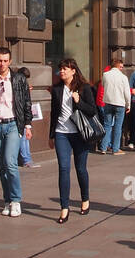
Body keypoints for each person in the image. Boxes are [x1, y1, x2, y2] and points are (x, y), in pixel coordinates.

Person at [0, 46, 33, 217]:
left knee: (10, 163)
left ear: (10, 62)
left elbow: (26, 102)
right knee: (2, 166)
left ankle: (16, 200)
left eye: (5, 61)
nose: (2, 64)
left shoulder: (18, 79)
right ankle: (7, 200)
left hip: (13, 125)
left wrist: (28, 125)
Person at [50, 58, 100, 223]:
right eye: (61, 69)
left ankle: (85, 198)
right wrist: (51, 135)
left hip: (80, 134)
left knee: (80, 169)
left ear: (73, 71)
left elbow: (92, 111)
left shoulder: (84, 88)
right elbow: (54, 114)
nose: (62, 72)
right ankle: (64, 207)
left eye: (65, 69)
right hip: (61, 133)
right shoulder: (57, 89)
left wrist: (79, 102)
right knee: (63, 168)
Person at [99, 52, 130, 155]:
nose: (122, 68)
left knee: (107, 125)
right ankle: (115, 149)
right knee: (118, 126)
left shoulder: (105, 75)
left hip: (108, 102)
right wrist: (128, 105)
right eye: (121, 66)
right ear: (118, 66)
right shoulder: (123, 77)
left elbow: (103, 85)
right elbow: (127, 93)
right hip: (120, 104)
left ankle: (103, 148)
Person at [18, 67, 35, 167]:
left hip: (24, 115)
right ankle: (26, 160)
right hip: (21, 116)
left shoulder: (23, 84)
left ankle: (27, 158)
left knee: (25, 138)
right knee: (23, 138)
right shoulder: (16, 84)